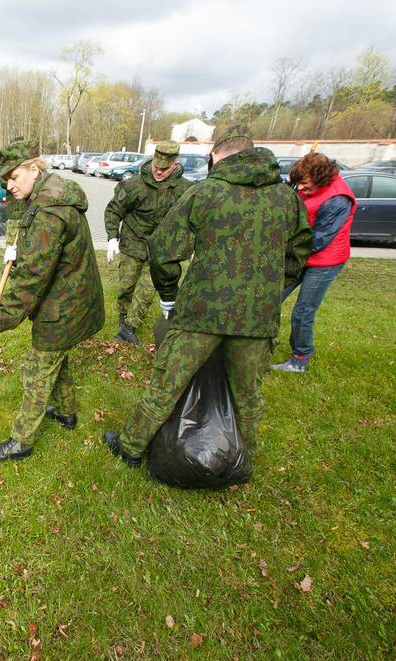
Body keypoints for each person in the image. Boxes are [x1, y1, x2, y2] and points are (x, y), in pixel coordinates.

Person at [103, 125, 312, 468]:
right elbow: (300, 252)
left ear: (217, 155)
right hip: (257, 317)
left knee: (166, 384)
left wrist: (168, 297)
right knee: (248, 395)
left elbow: (164, 249)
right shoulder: (287, 198)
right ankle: (243, 458)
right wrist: (268, 292)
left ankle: (130, 448)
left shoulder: (205, 193)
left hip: (201, 312)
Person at [0, 139, 105, 461]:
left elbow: (32, 277)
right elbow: (37, 245)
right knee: (55, 357)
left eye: (14, 177)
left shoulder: (50, 213)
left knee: (37, 369)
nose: (9, 184)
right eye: (5, 179)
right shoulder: (52, 192)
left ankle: (21, 441)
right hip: (74, 297)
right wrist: (16, 247)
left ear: (34, 168)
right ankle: (66, 412)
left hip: (63, 305)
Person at [272, 152, 355, 373]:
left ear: (321, 179)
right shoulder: (301, 184)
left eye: (306, 186)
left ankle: (300, 357)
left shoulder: (338, 199)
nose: (300, 190)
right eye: (298, 184)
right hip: (299, 253)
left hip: (324, 260)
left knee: (303, 311)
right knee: (270, 298)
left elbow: (318, 240)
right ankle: (264, 342)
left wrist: (280, 246)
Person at [104, 141, 192, 345]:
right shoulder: (134, 185)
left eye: (164, 169)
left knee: (147, 289)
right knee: (126, 286)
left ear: (175, 164)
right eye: (156, 167)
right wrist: (111, 237)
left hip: (161, 250)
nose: (159, 172)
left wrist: (190, 245)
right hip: (133, 243)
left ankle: (129, 327)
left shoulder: (185, 189)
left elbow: (190, 220)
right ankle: (123, 315)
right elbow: (114, 210)